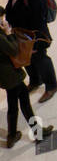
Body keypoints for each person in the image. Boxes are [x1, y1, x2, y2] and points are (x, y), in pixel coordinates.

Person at [3, 0, 57, 104]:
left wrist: (35, 43)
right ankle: (35, 80)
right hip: (21, 35)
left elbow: (39, 21)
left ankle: (51, 86)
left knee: (41, 59)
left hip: (35, 36)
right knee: (26, 59)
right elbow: (10, 8)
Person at [0, 9, 52, 148]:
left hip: (4, 77)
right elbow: (13, 49)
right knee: (24, 104)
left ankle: (12, 136)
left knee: (12, 105)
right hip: (11, 75)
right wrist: (8, 34)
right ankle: (38, 133)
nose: (3, 21)